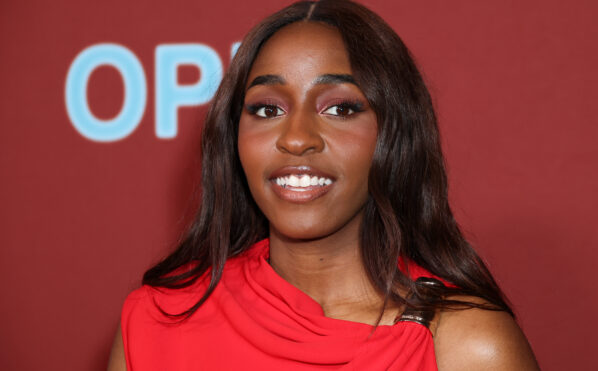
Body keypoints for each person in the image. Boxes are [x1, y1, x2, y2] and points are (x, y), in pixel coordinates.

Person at [108, 0, 539, 369]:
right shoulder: (155, 321)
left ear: (393, 134)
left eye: (340, 108)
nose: (296, 138)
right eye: (266, 109)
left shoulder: (468, 347)